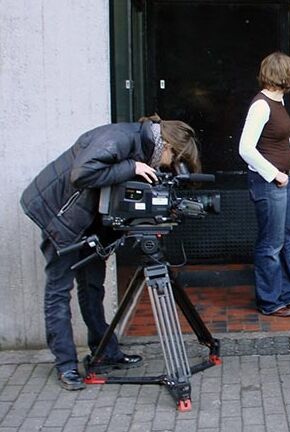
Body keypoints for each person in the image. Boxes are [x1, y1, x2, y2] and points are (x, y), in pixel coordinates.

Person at [20, 114, 201, 390]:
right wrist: (132, 167)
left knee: (92, 286)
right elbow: (81, 174)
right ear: (166, 144)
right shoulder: (120, 138)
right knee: (59, 290)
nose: (172, 165)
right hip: (61, 216)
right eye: (175, 158)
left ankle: (104, 351)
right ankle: (66, 366)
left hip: (89, 221)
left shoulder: (143, 148)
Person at [239, 52, 290, 317]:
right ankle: (270, 301)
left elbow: (282, 137)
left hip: (289, 178)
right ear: (284, 75)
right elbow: (245, 148)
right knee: (271, 243)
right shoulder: (261, 105)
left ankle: (287, 295)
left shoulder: (278, 102)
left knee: (289, 239)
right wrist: (275, 174)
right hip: (271, 182)